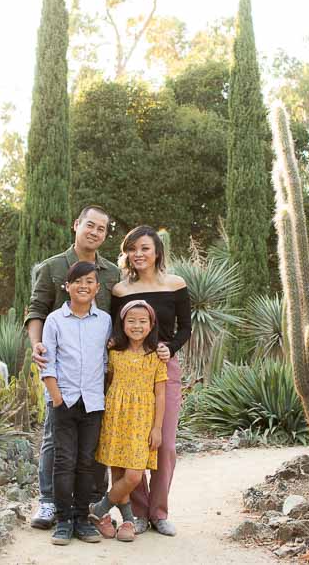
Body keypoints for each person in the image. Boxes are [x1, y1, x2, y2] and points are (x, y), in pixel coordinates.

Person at [25, 206, 120, 530]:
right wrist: (37, 346)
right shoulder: (52, 267)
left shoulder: (110, 273)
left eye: (101, 229)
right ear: (76, 225)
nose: (94, 232)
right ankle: (50, 501)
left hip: (96, 372)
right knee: (56, 436)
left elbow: (117, 319)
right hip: (59, 368)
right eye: (89, 226)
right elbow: (36, 309)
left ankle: (90, 503)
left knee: (95, 438)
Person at [109, 225, 191, 537]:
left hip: (164, 368)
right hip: (129, 373)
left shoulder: (175, 284)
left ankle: (159, 512)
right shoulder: (120, 290)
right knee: (130, 444)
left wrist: (169, 347)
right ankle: (138, 513)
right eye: (132, 249)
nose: (138, 254)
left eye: (144, 248)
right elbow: (117, 332)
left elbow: (186, 327)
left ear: (157, 251)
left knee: (165, 445)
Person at [39, 261, 113, 546]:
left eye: (90, 281)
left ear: (97, 287)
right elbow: (48, 365)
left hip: (93, 403)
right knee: (63, 461)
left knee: (86, 463)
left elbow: (106, 362)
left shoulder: (104, 321)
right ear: (67, 286)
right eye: (78, 281)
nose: (84, 286)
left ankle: (82, 519)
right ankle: (63, 520)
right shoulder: (55, 321)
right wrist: (57, 399)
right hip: (64, 402)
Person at [89, 299, 167, 542]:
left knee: (134, 475)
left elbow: (161, 394)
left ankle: (99, 510)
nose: (136, 325)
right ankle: (128, 523)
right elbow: (109, 382)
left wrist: (157, 428)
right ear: (122, 324)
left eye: (142, 321)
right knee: (118, 471)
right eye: (131, 321)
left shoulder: (156, 356)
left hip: (142, 421)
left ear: (151, 324)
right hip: (116, 418)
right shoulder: (114, 353)